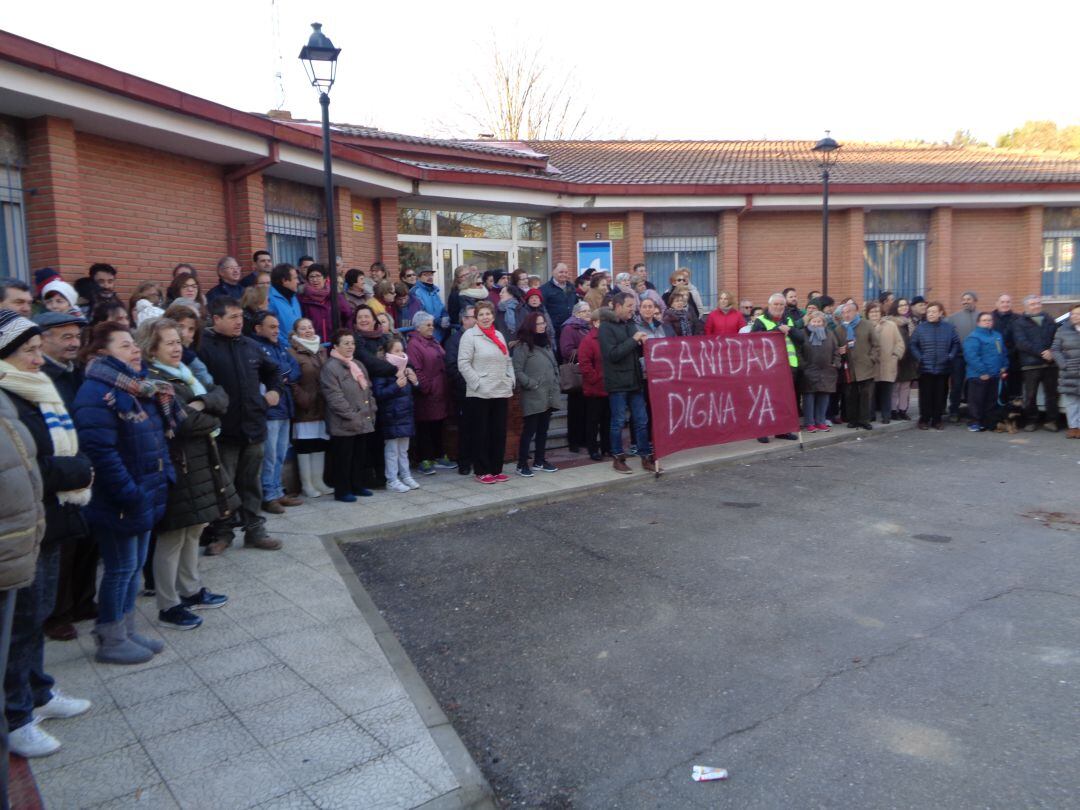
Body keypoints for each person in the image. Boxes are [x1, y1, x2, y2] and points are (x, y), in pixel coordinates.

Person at [0, 313, 93, 757]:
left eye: (40, 349)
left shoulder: (35, 390)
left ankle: (38, 690)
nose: (40, 358)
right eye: (29, 351)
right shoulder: (7, 397)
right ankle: (15, 716)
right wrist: (78, 470)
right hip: (18, 526)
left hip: (48, 519)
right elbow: (24, 464)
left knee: (35, 614)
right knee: (17, 625)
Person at [72, 322, 177, 665]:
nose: (135, 350)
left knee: (132, 569)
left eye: (134, 344)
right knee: (119, 569)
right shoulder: (95, 392)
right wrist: (130, 494)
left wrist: (164, 478)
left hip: (144, 493)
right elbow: (100, 452)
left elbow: (156, 438)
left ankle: (127, 629)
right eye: (125, 345)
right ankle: (111, 638)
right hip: (120, 498)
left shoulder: (136, 387)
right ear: (102, 353)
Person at [142, 318, 232, 630]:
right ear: (152, 349)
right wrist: (212, 415)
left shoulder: (185, 374)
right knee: (173, 536)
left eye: (178, 341)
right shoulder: (155, 381)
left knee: (195, 528)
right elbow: (184, 424)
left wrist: (202, 402)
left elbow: (222, 394)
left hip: (200, 460)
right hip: (177, 463)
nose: (177, 347)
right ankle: (168, 604)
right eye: (169, 342)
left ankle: (191, 589)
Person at [197, 298, 284, 555]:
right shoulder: (204, 348)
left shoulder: (251, 345)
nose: (239, 322)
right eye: (232, 317)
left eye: (240, 317)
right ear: (217, 319)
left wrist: (274, 391)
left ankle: (255, 530)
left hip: (254, 427)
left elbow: (274, 371)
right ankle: (223, 532)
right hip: (224, 431)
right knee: (224, 485)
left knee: (251, 483)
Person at [32, 312, 94, 643]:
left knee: (87, 540)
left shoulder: (77, 373)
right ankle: (56, 614)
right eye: (65, 337)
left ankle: (83, 602)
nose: (74, 343)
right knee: (63, 547)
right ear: (43, 340)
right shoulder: (41, 377)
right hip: (58, 474)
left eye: (76, 337)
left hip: (85, 467)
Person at [457, 301, 515, 484]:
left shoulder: (498, 334)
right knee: (481, 433)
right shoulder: (470, 336)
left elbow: (507, 360)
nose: (485, 317)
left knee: (498, 432)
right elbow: (463, 363)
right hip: (480, 393)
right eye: (481, 315)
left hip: (500, 389)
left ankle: (496, 469)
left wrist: (510, 379)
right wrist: (477, 383)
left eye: (488, 314)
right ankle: (482, 471)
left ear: (493, 315)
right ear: (476, 318)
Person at [252, 312, 303, 513]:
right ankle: (268, 495)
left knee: (280, 453)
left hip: (285, 406)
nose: (276, 330)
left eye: (277, 326)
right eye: (271, 327)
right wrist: (279, 375)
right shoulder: (257, 347)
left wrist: (280, 375)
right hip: (271, 410)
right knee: (270, 455)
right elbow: (271, 371)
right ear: (258, 328)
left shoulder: (280, 347)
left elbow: (294, 370)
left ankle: (278, 490)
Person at [319, 330, 378, 502]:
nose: (350, 346)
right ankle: (342, 490)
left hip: (363, 418)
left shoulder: (357, 364)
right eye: (346, 343)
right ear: (336, 346)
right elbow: (334, 397)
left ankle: (357, 485)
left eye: (352, 343)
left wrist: (371, 408)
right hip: (344, 422)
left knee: (358, 456)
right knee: (343, 458)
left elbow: (368, 389)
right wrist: (352, 415)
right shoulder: (330, 367)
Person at [599, 292, 653, 473]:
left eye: (633, 306)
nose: (633, 309)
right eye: (630, 306)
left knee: (641, 420)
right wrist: (633, 340)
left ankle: (645, 456)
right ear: (618, 306)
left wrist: (643, 344)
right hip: (617, 382)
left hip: (635, 380)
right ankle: (618, 456)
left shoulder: (630, 323)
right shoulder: (605, 327)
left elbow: (634, 350)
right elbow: (613, 355)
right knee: (618, 421)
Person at [513, 311, 561, 476]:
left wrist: (556, 379)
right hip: (532, 395)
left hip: (548, 393)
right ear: (531, 325)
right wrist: (530, 383)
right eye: (538, 324)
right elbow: (517, 370)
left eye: (543, 323)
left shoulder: (546, 343)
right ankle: (521, 464)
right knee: (529, 431)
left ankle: (539, 460)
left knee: (543, 430)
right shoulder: (523, 346)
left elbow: (553, 364)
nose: (542, 326)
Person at [407, 312, 454, 475]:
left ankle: (438, 455)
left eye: (432, 324)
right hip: (427, 393)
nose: (431, 327)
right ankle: (424, 459)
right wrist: (427, 388)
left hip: (440, 391)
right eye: (428, 325)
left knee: (438, 425)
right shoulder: (414, 344)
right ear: (418, 327)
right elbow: (416, 369)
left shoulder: (433, 341)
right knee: (425, 426)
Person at [751, 293, 803, 441]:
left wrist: (790, 330)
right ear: (769, 305)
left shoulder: (789, 319)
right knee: (765, 399)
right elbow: (754, 341)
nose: (779, 307)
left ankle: (782, 430)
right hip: (768, 367)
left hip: (788, 366)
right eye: (776, 304)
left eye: (781, 304)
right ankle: (761, 431)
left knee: (783, 400)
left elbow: (801, 339)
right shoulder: (760, 321)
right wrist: (776, 330)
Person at [373, 336, 420, 493]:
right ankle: (392, 479)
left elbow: (411, 394)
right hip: (391, 416)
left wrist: (415, 382)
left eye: (402, 350)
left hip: (405, 415)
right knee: (392, 450)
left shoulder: (405, 368)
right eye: (396, 351)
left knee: (403, 449)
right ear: (388, 353)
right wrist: (396, 386)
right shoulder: (383, 370)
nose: (401, 354)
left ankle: (405, 475)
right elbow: (378, 393)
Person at [1011, 295, 1060, 432]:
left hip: (1050, 364)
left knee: (1052, 394)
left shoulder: (1050, 320)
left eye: (1038, 303)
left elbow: (1057, 338)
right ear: (1026, 306)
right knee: (1030, 395)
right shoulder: (1019, 322)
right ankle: (1031, 421)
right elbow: (1021, 343)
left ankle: (1052, 421)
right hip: (1030, 365)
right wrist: (1042, 352)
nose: (1036, 306)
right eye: (1032, 304)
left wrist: (1051, 351)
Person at [910, 302, 960, 430]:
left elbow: (956, 343)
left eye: (933, 311)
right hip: (926, 368)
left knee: (940, 395)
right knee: (925, 395)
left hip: (943, 368)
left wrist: (950, 356)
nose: (930, 314)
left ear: (940, 313)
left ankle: (937, 420)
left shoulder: (948, 328)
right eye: (928, 312)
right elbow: (913, 344)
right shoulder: (921, 328)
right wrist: (920, 357)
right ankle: (924, 419)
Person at [962, 312, 1008, 432]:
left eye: (989, 320)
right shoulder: (973, 337)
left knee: (991, 401)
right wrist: (982, 372)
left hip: (995, 374)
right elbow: (971, 356)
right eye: (984, 320)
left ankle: (988, 422)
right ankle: (975, 422)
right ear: (978, 322)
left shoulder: (997, 336)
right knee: (976, 401)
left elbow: (1003, 353)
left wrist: (1004, 366)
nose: (987, 322)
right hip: (978, 375)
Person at [445, 305, 476, 476]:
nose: (477, 320)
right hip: (464, 392)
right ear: (464, 319)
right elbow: (452, 367)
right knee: (465, 429)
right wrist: (468, 383)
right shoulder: (455, 341)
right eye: (474, 316)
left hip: (480, 391)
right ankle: (464, 462)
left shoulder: (479, 337)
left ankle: (476, 458)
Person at [559, 301, 592, 453]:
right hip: (576, 374)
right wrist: (586, 351)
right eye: (584, 311)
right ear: (576, 313)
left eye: (589, 310)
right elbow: (566, 351)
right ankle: (574, 441)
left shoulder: (589, 328)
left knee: (587, 409)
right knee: (575, 410)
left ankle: (585, 438)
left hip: (589, 372)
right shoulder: (569, 328)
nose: (588, 313)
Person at [577, 310, 610, 460]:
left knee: (607, 421)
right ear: (596, 323)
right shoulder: (588, 340)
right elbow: (584, 365)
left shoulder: (609, 338)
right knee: (593, 422)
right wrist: (597, 379)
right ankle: (593, 449)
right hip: (594, 389)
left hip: (609, 387)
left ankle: (607, 448)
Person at [799, 310, 840, 432]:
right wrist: (804, 366)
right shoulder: (803, 334)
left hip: (827, 371)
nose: (816, 324)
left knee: (824, 397)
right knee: (809, 397)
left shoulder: (830, 334)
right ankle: (809, 423)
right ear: (809, 322)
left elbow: (836, 350)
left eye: (819, 321)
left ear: (823, 323)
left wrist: (835, 363)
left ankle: (821, 421)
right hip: (809, 371)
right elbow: (798, 352)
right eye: (814, 321)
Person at [868, 302, 905, 424]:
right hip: (871, 365)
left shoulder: (891, 325)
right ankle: (871, 415)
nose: (875, 314)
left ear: (881, 313)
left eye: (877, 311)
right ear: (867, 314)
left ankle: (886, 416)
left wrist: (895, 355)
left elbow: (900, 343)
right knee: (871, 393)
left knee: (886, 392)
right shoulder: (866, 326)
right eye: (872, 312)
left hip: (888, 363)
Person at [946, 291, 979, 422]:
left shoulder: (981, 316)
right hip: (958, 357)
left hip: (976, 357)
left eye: (968, 299)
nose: (965, 301)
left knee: (974, 385)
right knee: (957, 385)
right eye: (963, 299)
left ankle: (973, 411)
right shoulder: (953, 318)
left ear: (975, 301)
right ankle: (954, 410)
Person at [297, 264, 351, 342]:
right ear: (307, 279)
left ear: (325, 278)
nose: (315, 280)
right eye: (311, 276)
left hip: (336, 344)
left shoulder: (336, 297)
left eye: (318, 276)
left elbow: (348, 316)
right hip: (312, 344)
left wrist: (345, 337)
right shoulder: (302, 299)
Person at [1051, 303, 1080, 438]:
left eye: (1078, 314)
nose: (1075, 316)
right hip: (1069, 371)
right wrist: (1063, 364)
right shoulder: (1062, 330)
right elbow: (1055, 349)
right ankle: (1073, 427)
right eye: (1073, 314)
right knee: (1072, 402)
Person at [889, 298, 918, 420]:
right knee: (895, 386)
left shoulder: (911, 322)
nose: (904, 307)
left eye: (906, 305)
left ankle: (902, 410)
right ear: (896, 307)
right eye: (901, 305)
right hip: (896, 357)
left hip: (909, 358)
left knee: (906, 386)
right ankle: (893, 410)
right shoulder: (891, 322)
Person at [406, 267, 449, 342]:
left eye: (431, 274)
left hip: (440, 334)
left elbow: (441, 307)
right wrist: (437, 321)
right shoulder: (415, 292)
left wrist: (445, 315)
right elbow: (418, 315)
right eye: (426, 275)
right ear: (418, 277)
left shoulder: (435, 291)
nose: (430, 277)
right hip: (425, 335)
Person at [992, 293, 1021, 400]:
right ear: (997, 304)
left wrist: (1012, 351)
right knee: (996, 388)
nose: (1005, 304)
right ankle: (997, 413)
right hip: (995, 359)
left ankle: (1012, 413)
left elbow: (1020, 338)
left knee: (1013, 390)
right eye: (1002, 302)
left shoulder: (1018, 318)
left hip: (1014, 359)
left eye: (1008, 302)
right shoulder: (989, 318)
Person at [266, 263, 302, 349]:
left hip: (299, 346)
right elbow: (270, 329)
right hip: (284, 349)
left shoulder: (293, 296)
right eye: (295, 278)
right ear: (284, 281)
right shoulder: (269, 300)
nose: (298, 281)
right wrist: (288, 346)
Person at [540, 262, 578, 340]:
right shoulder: (544, 289)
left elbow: (576, 304)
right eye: (561, 272)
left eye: (566, 272)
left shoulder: (571, 287)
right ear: (553, 272)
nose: (564, 274)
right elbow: (542, 309)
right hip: (555, 330)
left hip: (571, 327)